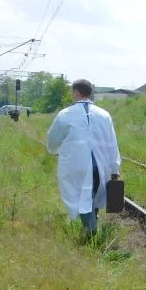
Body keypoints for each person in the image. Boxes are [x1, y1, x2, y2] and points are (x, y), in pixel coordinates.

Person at [46, 79, 121, 235]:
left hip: (76, 164)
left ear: (76, 93)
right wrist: (115, 167)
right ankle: (93, 225)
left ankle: (91, 233)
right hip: (101, 164)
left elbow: (53, 139)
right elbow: (112, 143)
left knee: (82, 198)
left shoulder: (65, 114)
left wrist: (54, 150)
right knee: (93, 195)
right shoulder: (104, 115)